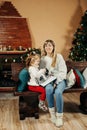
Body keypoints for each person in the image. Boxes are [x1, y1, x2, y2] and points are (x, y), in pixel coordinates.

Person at [40, 39, 67, 127]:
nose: (48, 47)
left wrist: (57, 81)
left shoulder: (58, 56)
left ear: (53, 47)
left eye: (50, 45)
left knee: (58, 92)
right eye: (46, 45)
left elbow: (63, 71)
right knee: (48, 89)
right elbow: (42, 73)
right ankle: (52, 115)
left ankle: (59, 117)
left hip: (60, 79)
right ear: (44, 48)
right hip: (49, 80)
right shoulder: (42, 59)